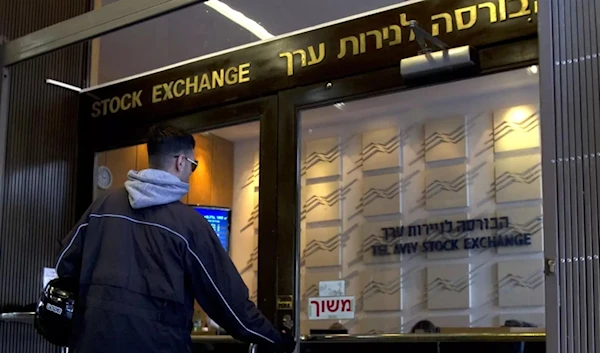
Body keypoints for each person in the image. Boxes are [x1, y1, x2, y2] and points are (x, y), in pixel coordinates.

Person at [55, 125, 295, 353]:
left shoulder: (102, 206)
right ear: (181, 162)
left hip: (91, 344)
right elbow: (228, 303)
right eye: (193, 165)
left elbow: (64, 264)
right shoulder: (190, 225)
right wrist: (274, 338)